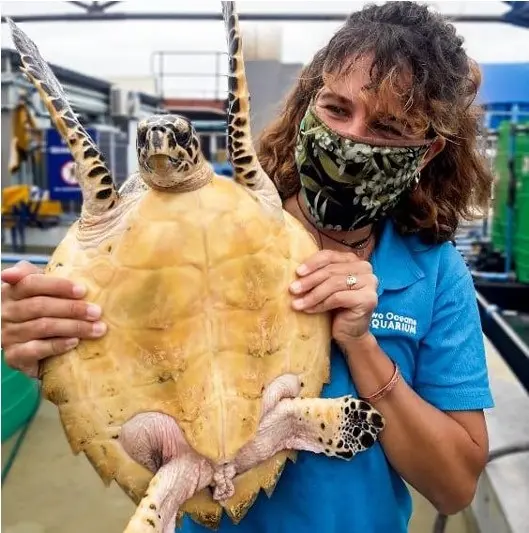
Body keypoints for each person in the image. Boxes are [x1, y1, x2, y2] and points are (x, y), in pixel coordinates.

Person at [1, 2, 495, 532]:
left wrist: (362, 346)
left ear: (426, 152)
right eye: (336, 109)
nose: (352, 137)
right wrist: (43, 330)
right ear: (307, 107)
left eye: (388, 127)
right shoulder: (216, 210)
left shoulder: (435, 271)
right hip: (177, 462)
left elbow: (454, 487)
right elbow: (111, 310)